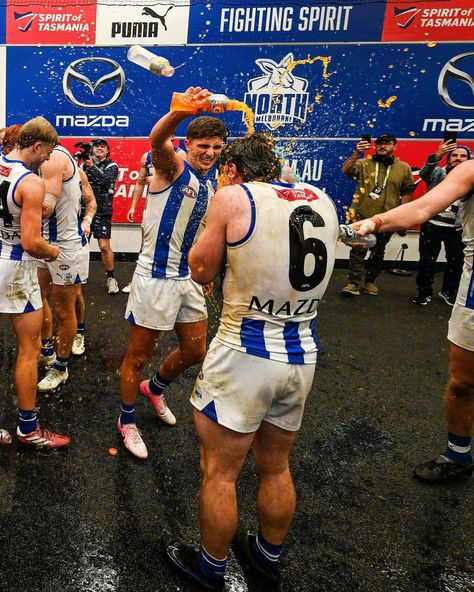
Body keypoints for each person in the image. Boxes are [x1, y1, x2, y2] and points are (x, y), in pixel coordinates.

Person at [165, 132, 340, 591]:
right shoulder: (321, 198)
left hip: (244, 352)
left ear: (234, 170)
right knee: (277, 465)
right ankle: (265, 559)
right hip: (301, 351)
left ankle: (210, 569)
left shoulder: (232, 195)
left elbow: (200, 269)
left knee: (220, 470)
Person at [117, 87, 229, 459]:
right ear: (189, 143)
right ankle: (127, 421)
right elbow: (157, 139)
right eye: (204, 146)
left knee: (196, 351)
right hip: (155, 279)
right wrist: (179, 111)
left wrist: (205, 271)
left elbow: (201, 232)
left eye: (217, 147)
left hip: (188, 279)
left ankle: (155, 388)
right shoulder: (173, 165)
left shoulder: (213, 180)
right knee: (138, 355)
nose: (210, 153)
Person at [352, 159, 474, 483]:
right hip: (473, 299)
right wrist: (374, 222)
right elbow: (421, 209)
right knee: (463, 383)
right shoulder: (470, 170)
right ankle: (458, 454)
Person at [0, 116, 69, 448]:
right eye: (48, 152)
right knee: (28, 350)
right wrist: (53, 251)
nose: (48, 159)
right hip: (16, 269)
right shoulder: (31, 183)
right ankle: (28, 429)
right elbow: (30, 242)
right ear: (37, 146)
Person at [37, 147, 97, 391]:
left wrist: (86, 222)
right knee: (39, 299)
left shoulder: (75, 171)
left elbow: (91, 202)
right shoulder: (29, 169)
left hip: (69, 245)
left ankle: (63, 362)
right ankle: (48, 349)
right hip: (40, 243)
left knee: (71, 303)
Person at [341, 134, 414, 296]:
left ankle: (370, 281)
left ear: (395, 146)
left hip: (387, 220)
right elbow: (346, 170)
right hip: (362, 217)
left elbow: (407, 192)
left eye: (387, 144)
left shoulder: (404, 167)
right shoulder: (363, 163)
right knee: (357, 251)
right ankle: (353, 283)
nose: (382, 146)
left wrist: (405, 219)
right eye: (379, 143)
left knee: (378, 252)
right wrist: (357, 153)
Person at [412, 143, 471, 306]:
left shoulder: (471, 177)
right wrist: (436, 155)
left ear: (469, 159)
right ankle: (423, 292)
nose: (458, 159)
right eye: (454, 155)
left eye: (463, 156)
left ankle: (448, 292)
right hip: (432, 225)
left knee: (456, 262)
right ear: (449, 158)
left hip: (457, 229)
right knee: (426, 261)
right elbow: (424, 173)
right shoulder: (438, 173)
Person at [82, 139, 119, 294]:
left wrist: (92, 166)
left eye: (102, 146)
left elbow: (105, 180)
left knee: (104, 246)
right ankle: (79, 276)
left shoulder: (112, 166)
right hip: (84, 210)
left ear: (107, 151)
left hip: (103, 210)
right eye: (96, 146)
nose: (99, 148)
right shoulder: (83, 165)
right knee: (81, 245)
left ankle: (111, 278)